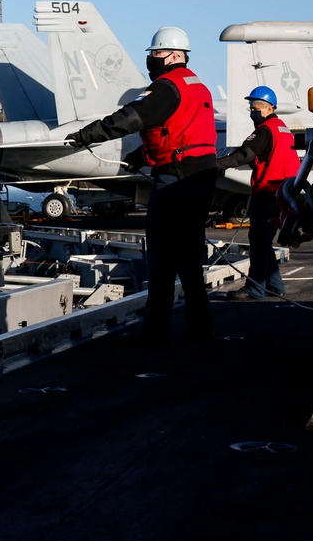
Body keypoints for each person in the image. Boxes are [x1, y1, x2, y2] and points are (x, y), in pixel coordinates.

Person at [66, 26, 218, 346]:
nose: (151, 59)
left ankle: (155, 335)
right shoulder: (198, 86)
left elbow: (131, 118)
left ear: (175, 54)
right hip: (200, 179)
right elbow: (179, 130)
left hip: (174, 182)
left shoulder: (166, 87)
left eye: (156, 53)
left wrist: (85, 136)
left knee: (161, 263)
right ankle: (200, 331)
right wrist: (140, 156)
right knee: (190, 263)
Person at [218, 86, 301, 300]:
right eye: (251, 108)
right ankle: (275, 285)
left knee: (258, 241)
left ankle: (255, 288)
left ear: (268, 108)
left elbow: (245, 154)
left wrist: (215, 165)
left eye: (254, 108)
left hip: (267, 192)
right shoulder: (282, 128)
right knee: (264, 241)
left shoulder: (265, 130)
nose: (251, 112)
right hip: (283, 192)